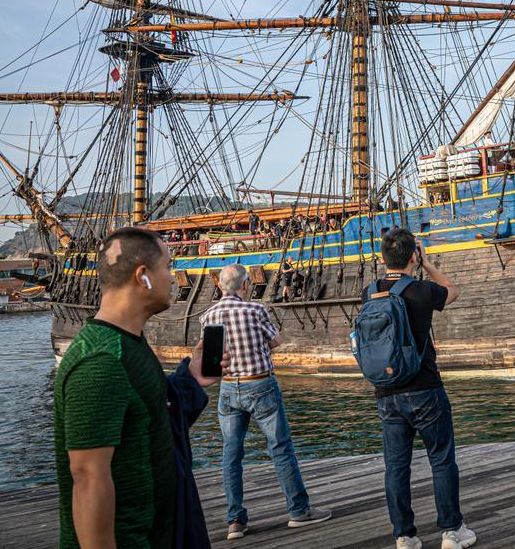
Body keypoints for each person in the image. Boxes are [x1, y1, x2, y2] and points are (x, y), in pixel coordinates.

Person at [55, 226, 222, 549]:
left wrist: (190, 381)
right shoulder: (100, 360)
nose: (173, 278)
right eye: (169, 267)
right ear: (143, 276)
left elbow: (149, 421)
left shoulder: (130, 344)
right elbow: (88, 479)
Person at [200, 264, 332, 540]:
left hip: (228, 389)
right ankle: (299, 511)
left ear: (220, 286)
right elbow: (276, 342)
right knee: (281, 448)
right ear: (245, 285)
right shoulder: (256, 310)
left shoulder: (208, 315)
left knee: (231, 454)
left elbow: (210, 357)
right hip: (259, 384)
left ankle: (235, 520)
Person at [366, 229, 476, 549]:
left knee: (396, 466)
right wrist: (427, 265)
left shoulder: (369, 292)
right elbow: (452, 290)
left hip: (386, 391)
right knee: (441, 459)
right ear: (413, 255)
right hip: (425, 388)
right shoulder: (422, 291)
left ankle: (404, 535)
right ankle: (452, 531)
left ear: (382, 258)